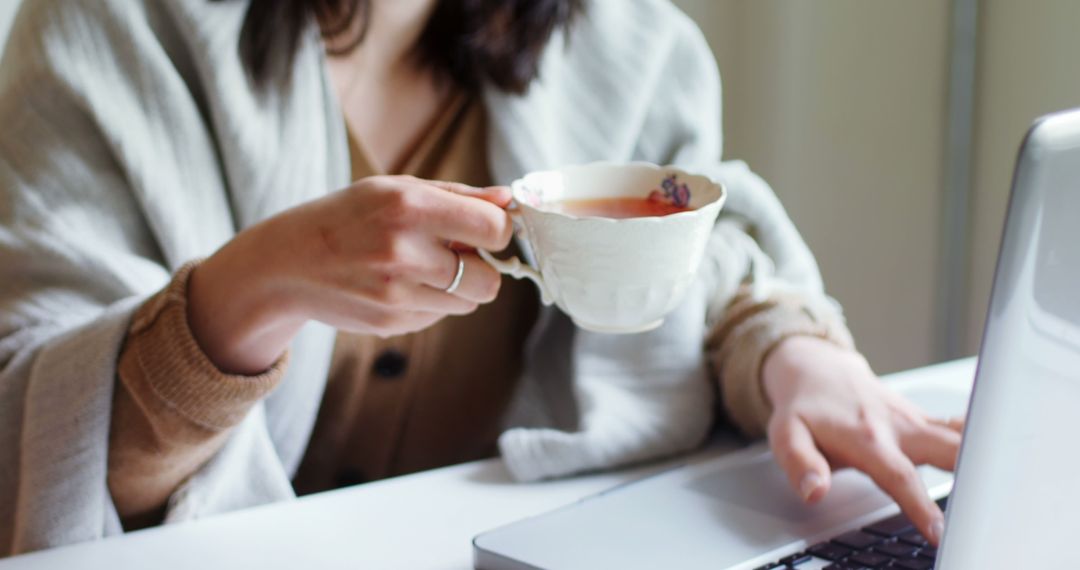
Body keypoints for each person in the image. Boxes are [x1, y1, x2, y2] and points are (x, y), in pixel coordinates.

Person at [0, 0, 963, 557]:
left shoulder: (628, 46)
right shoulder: (111, 31)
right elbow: (41, 450)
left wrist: (785, 347)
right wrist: (254, 289)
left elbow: (703, 267)